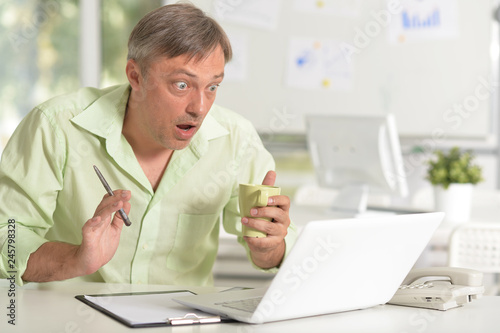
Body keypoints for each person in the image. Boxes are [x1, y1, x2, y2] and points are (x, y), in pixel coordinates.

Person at [0, 3, 297, 286]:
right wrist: (76, 260)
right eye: (181, 85)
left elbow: (273, 251)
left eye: (212, 86)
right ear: (135, 76)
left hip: (182, 322)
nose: (200, 107)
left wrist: (269, 247)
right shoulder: (55, 126)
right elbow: (6, 236)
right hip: (68, 317)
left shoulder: (237, 140)